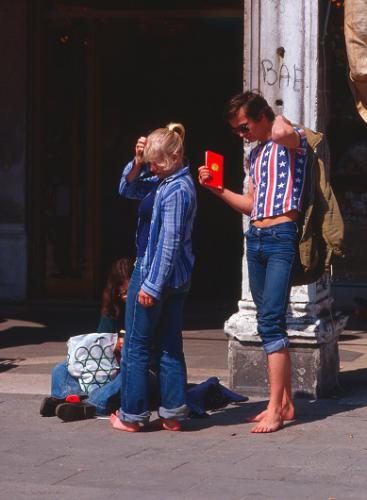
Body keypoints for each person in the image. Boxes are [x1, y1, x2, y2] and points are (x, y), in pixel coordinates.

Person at [198, 91, 308, 433]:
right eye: (236, 131)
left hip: (281, 237)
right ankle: (284, 402)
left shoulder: (293, 138)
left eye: (244, 127)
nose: (241, 135)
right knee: (266, 321)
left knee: (272, 322)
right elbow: (252, 205)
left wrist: (272, 115)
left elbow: (280, 133)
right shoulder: (256, 155)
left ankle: (275, 408)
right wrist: (217, 190)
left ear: (263, 116)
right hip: (257, 239)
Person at [112, 122, 197, 433]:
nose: (153, 169)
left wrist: (151, 286)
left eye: (155, 163)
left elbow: (170, 242)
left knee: (136, 345)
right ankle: (173, 412)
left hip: (154, 274)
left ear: (174, 157)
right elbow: (127, 188)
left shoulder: (176, 188)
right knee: (169, 346)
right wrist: (136, 163)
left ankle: (131, 415)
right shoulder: (163, 181)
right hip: (170, 277)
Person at [40, 257, 133, 420]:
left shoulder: (144, 310)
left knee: (131, 375)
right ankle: (71, 399)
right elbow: (99, 341)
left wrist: (128, 346)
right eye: (122, 293)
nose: (125, 297)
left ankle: (91, 405)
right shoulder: (113, 308)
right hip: (108, 364)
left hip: (131, 365)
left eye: (129, 292)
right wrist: (111, 345)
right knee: (62, 368)